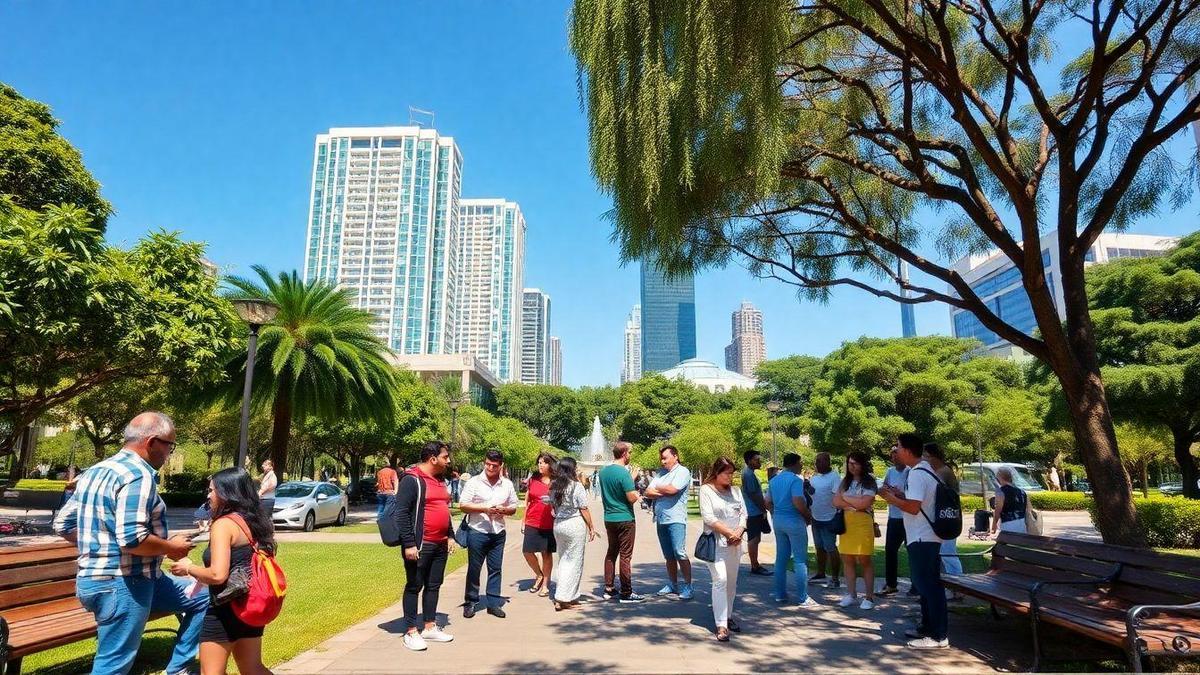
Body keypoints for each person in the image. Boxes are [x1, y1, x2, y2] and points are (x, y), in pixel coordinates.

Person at [52, 412, 207, 675]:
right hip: (123, 583)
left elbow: (63, 524)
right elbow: (132, 539)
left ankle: (179, 668)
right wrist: (171, 547)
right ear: (152, 442)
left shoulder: (95, 471)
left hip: (104, 580)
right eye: (170, 445)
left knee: (203, 597)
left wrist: (102, 542)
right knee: (113, 665)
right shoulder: (139, 475)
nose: (169, 453)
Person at [170, 468, 275, 675]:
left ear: (227, 493)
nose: (208, 495)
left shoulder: (224, 525)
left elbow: (218, 575)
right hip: (249, 606)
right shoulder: (255, 522)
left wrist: (188, 567)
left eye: (212, 490)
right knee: (253, 668)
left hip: (224, 610)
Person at [879, 433, 948, 650]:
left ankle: (938, 636)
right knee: (927, 585)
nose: (895, 451)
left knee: (929, 586)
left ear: (908, 450)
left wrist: (892, 499)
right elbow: (918, 501)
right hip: (926, 535)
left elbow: (913, 507)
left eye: (898, 447)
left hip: (922, 536)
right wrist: (900, 494)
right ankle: (928, 627)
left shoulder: (917, 473)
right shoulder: (925, 469)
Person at [395, 441, 455, 651]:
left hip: (439, 544)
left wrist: (450, 535)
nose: (448, 461)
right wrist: (409, 543)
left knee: (434, 585)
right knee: (414, 585)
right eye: (445, 457)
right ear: (433, 459)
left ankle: (429, 626)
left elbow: (444, 510)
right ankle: (411, 631)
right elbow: (401, 512)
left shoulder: (440, 480)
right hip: (420, 544)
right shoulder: (412, 479)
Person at [458, 449, 519, 619]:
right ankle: (470, 601)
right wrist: (485, 508)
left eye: (494, 465)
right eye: (487, 464)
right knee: (474, 568)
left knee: (495, 568)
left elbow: (514, 507)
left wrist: (504, 510)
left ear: (501, 465)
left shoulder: (507, 484)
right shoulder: (474, 482)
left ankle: (493, 603)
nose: (490, 468)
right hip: (478, 530)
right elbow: (463, 505)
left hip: (498, 531)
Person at [699, 457, 747, 642]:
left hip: (735, 543)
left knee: (732, 583)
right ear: (717, 472)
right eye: (726, 473)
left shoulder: (736, 491)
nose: (730, 477)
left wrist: (739, 531)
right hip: (717, 543)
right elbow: (709, 518)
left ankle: (728, 616)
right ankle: (721, 625)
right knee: (721, 579)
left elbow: (743, 514)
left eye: (732, 473)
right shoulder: (706, 490)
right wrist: (728, 533)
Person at [765, 453, 819, 607]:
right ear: (795, 464)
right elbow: (798, 501)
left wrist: (775, 513)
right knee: (800, 559)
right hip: (794, 520)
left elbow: (767, 501)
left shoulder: (774, 480)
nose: (801, 466)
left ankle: (780, 594)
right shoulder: (796, 480)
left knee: (781, 558)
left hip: (779, 520)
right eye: (800, 463)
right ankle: (802, 597)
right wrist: (808, 517)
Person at [597, 441, 645, 603]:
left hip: (609, 517)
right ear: (624, 454)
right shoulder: (624, 473)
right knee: (625, 556)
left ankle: (608, 588)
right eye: (630, 452)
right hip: (624, 518)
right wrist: (637, 494)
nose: (630, 455)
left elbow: (615, 488)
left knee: (611, 552)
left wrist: (630, 479)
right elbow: (630, 497)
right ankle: (626, 592)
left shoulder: (603, 472)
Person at [644, 445, 694, 599]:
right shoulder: (661, 474)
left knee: (680, 552)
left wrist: (658, 488)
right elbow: (647, 492)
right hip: (661, 518)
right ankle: (673, 584)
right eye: (662, 458)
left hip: (676, 519)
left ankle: (688, 586)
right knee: (668, 555)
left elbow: (674, 490)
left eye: (665, 457)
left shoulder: (683, 472)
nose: (662, 461)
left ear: (675, 456)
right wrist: (663, 490)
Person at [549, 456, 598, 611]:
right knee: (574, 562)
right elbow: (583, 508)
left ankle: (570, 595)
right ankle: (563, 598)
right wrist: (591, 526)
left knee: (563, 560)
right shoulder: (576, 486)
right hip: (574, 525)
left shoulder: (554, 486)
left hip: (559, 525)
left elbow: (552, 508)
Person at [833, 451, 878, 610]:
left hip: (863, 524)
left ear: (862, 464)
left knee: (864, 559)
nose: (852, 467)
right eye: (849, 463)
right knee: (847, 558)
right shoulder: (844, 481)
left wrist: (846, 498)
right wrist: (852, 503)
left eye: (855, 463)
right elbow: (836, 501)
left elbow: (864, 504)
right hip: (847, 524)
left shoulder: (870, 482)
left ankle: (869, 597)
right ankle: (851, 594)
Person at [923, 444, 964, 589]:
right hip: (941, 517)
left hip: (947, 518)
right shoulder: (938, 471)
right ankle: (948, 586)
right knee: (942, 554)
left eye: (926, 456)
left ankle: (958, 587)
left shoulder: (943, 472)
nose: (924, 459)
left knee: (948, 553)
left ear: (934, 456)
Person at [522, 452, 557, 597]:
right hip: (532, 520)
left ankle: (545, 584)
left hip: (549, 522)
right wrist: (523, 520)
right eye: (539, 462)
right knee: (527, 551)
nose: (540, 465)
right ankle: (539, 574)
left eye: (544, 462)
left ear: (550, 464)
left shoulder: (557, 482)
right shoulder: (533, 479)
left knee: (546, 553)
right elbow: (527, 500)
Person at [808, 452, 842, 589]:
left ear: (828, 462)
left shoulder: (834, 477)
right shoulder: (815, 478)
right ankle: (821, 573)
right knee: (819, 547)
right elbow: (811, 495)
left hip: (829, 518)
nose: (817, 464)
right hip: (815, 518)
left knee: (831, 548)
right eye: (816, 462)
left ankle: (835, 577)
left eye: (820, 461)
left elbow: (836, 497)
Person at [878, 446, 909, 596]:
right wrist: (885, 491)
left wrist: (897, 494)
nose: (894, 457)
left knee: (913, 552)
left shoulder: (910, 472)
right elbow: (884, 488)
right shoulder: (890, 472)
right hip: (894, 517)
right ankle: (891, 584)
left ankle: (916, 585)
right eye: (892, 455)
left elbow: (912, 496)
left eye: (897, 454)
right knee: (890, 550)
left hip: (908, 518)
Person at [739, 450, 771, 575]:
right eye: (756, 459)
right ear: (749, 460)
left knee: (756, 538)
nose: (759, 461)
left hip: (753, 510)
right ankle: (754, 565)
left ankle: (755, 564)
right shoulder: (748, 474)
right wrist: (763, 508)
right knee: (753, 538)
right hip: (753, 511)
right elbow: (754, 495)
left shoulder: (749, 473)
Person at [991, 467, 1029, 535]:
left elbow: (997, 511)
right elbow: (1027, 508)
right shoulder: (1022, 492)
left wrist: (994, 526)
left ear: (1000, 478)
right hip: (1022, 523)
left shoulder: (1001, 491)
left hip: (1008, 524)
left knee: (1008, 543)